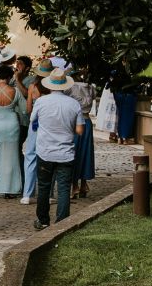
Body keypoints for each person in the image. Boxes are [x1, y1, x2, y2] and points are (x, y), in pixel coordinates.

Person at [31, 69, 85, 229]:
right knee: (63, 188)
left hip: (45, 151)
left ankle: (43, 220)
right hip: (65, 153)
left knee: (44, 186)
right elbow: (80, 130)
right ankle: (62, 223)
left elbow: (33, 119)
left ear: (50, 85)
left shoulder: (41, 101)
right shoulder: (73, 104)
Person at [0, 66, 26, 198]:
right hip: (11, 125)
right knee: (11, 157)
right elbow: (24, 109)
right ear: (9, 77)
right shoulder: (15, 91)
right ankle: (9, 190)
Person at [20, 59, 55, 204]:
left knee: (30, 156)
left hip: (35, 125)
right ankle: (48, 193)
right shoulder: (54, 89)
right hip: (50, 126)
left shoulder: (33, 87)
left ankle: (27, 194)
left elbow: (29, 109)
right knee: (50, 157)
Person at [68, 74, 97, 199]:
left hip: (75, 122)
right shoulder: (90, 88)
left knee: (74, 152)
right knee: (86, 153)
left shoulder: (71, 88)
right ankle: (84, 183)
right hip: (87, 121)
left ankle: (74, 185)